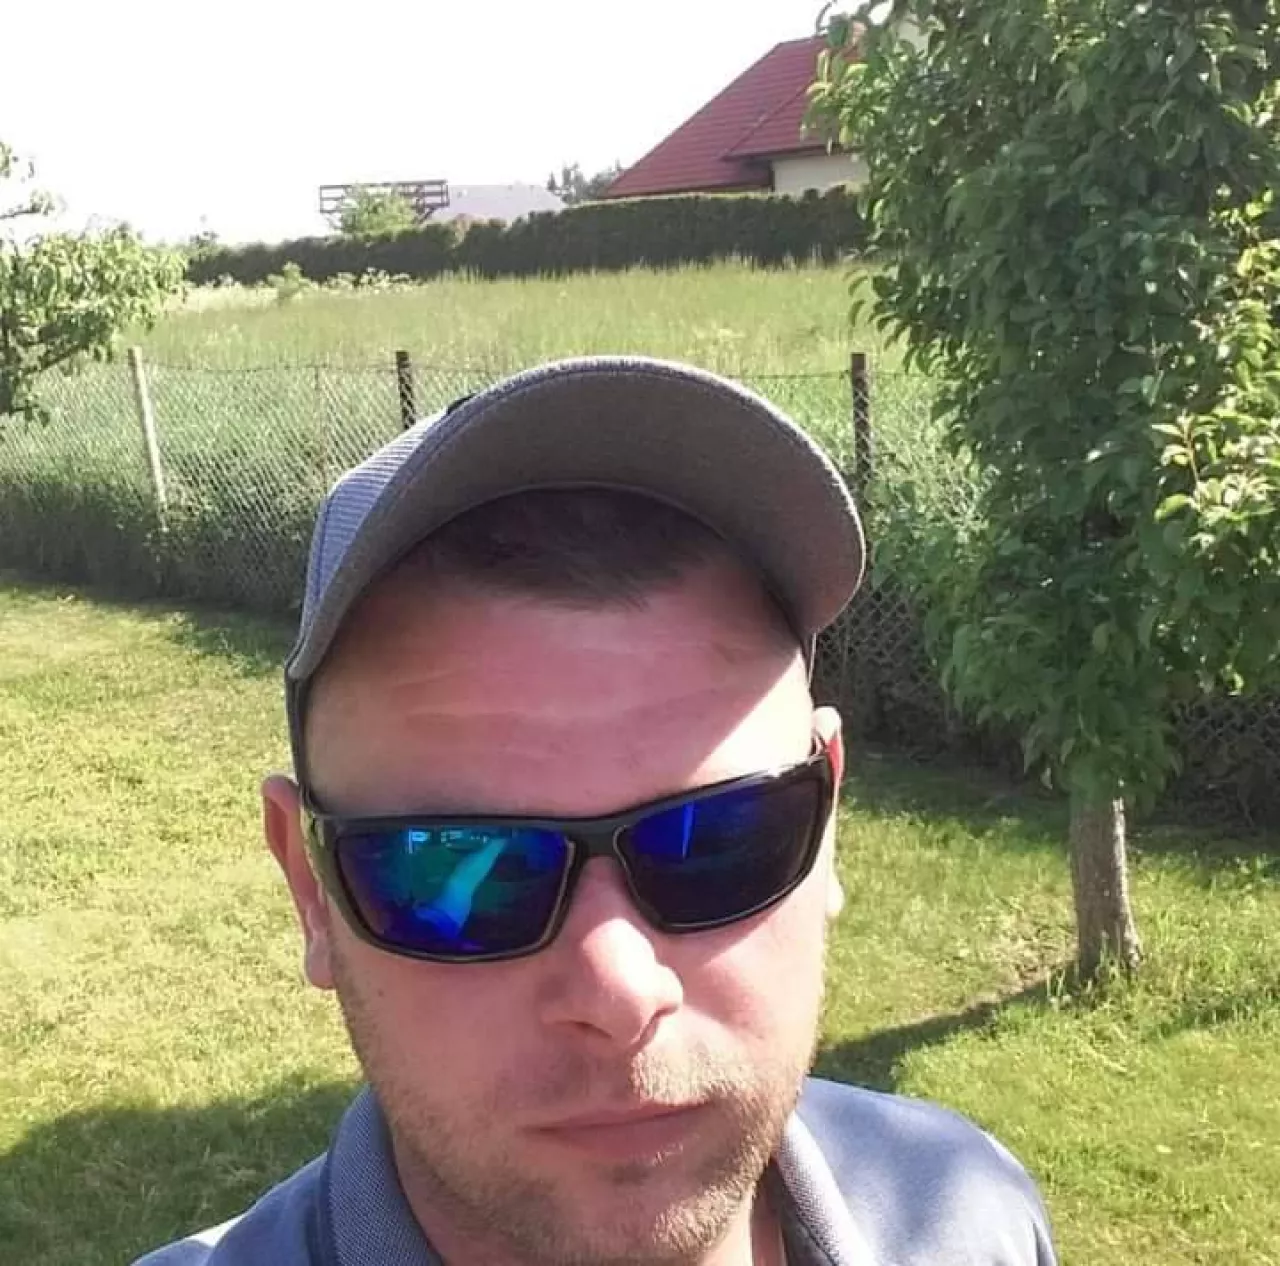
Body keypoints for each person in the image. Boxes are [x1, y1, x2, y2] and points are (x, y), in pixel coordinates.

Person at [137, 358, 1058, 1266]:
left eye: (720, 840)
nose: (620, 994)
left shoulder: (972, 1216)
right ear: (311, 894)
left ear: (828, 830)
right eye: (459, 870)